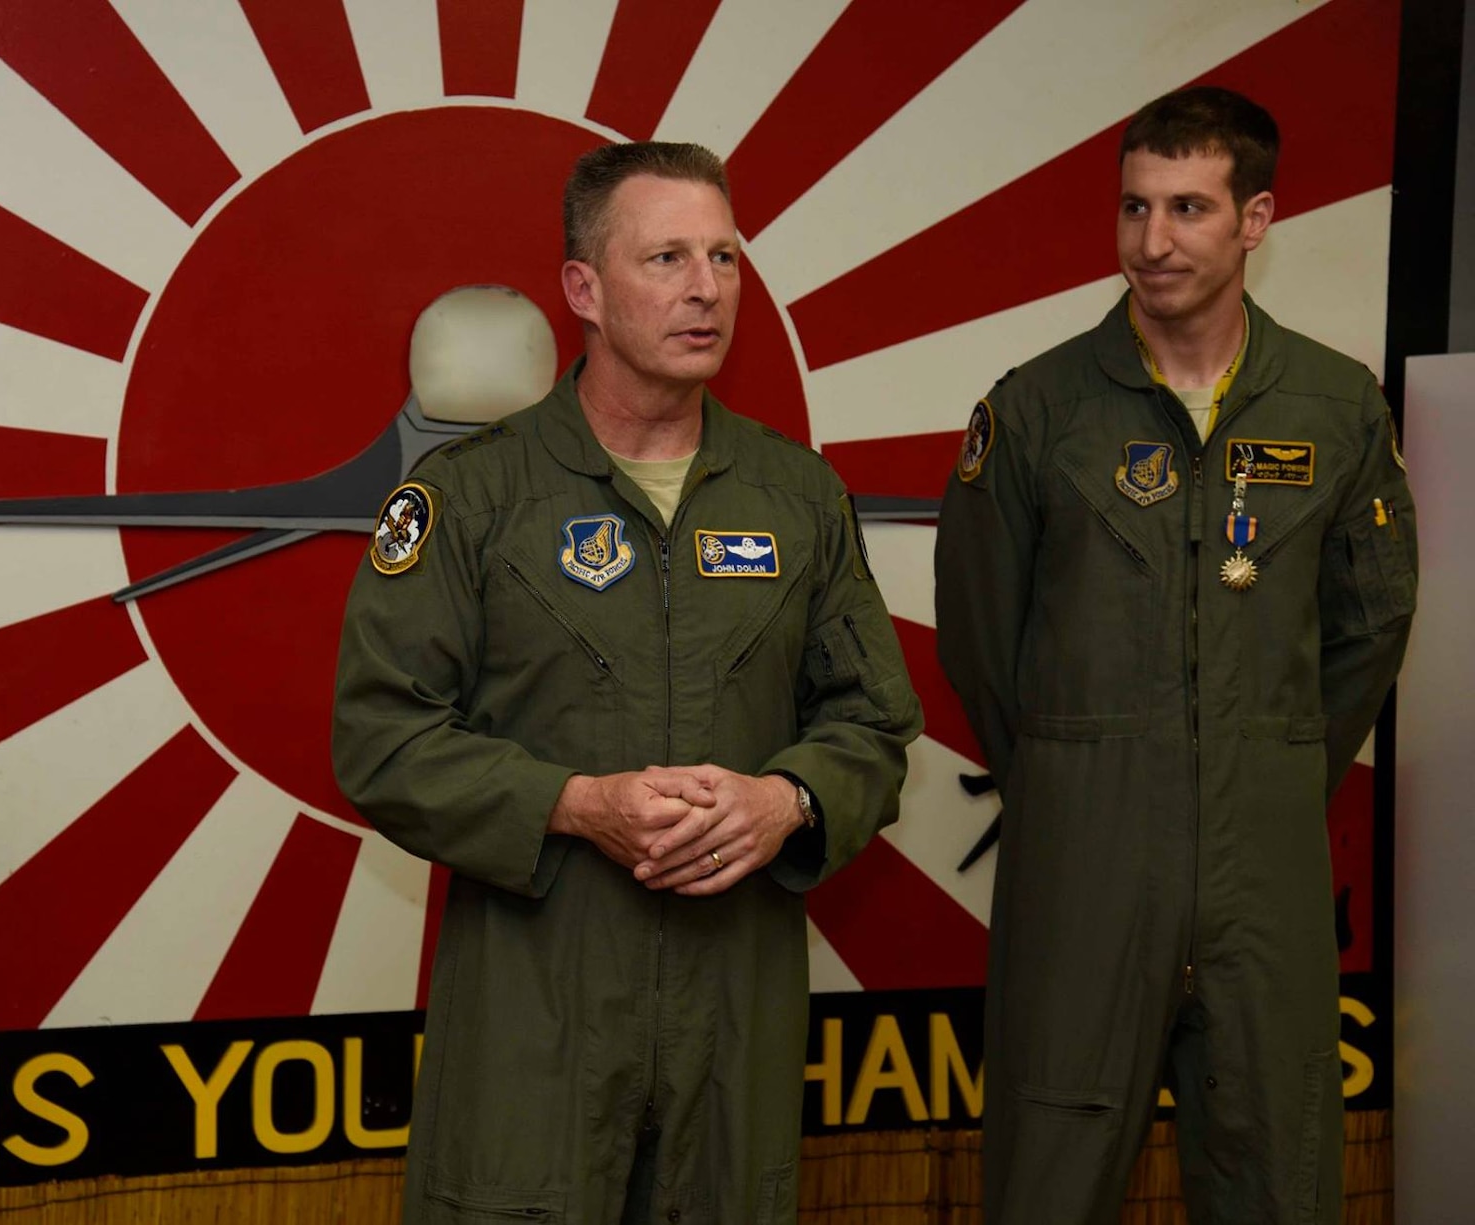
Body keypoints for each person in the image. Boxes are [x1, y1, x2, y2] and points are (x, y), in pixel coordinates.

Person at [333, 141, 920, 1224]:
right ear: (583, 290)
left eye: (725, 257)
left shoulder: (795, 496)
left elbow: (872, 722)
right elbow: (382, 736)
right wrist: (574, 805)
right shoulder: (470, 496)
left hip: (733, 1004)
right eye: (665, 258)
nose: (705, 289)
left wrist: (782, 802)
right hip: (535, 997)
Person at [935, 87, 1416, 1224]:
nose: (1151, 243)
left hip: (1267, 861)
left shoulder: (1335, 405)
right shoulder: (1036, 409)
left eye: (1187, 208)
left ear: (1254, 220)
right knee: (1048, 1167)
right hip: (1083, 857)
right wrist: (1073, 771)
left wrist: (1267, 757)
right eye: (1132, 208)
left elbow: (1368, 624)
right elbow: (979, 637)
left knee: (1276, 1161)